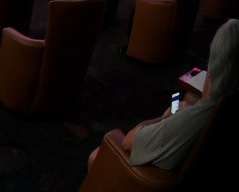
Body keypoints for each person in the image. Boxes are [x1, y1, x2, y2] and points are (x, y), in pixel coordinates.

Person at [89, 18, 239, 171]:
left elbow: (128, 142)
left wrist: (168, 117)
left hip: (147, 167)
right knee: (187, 89)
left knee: (95, 156)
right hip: (185, 125)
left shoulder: (188, 120)